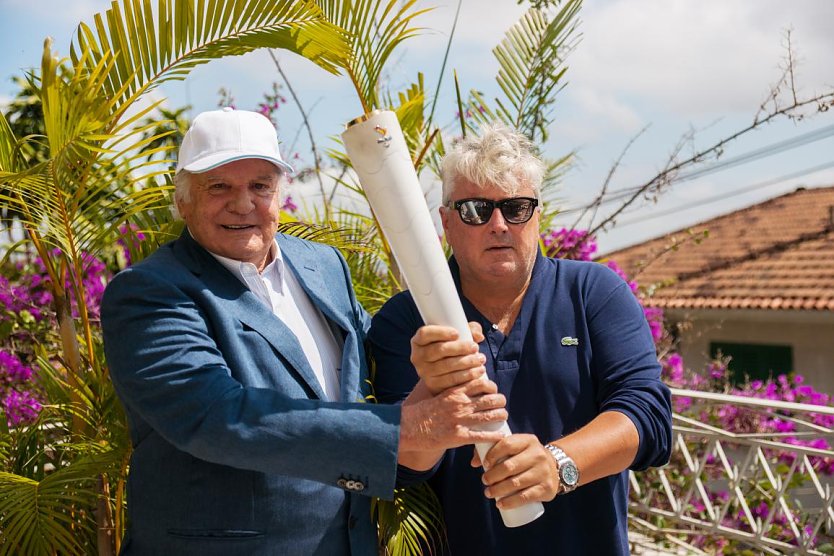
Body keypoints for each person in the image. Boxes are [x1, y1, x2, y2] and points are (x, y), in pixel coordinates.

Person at [100, 107, 509, 555]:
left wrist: (428, 375)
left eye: (260, 185)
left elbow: (363, 385)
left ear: (279, 193)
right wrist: (402, 430)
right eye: (219, 186)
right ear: (183, 200)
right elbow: (217, 416)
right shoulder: (149, 293)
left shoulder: (324, 266)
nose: (243, 203)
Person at [368, 123, 673, 555]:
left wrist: (558, 463)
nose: (498, 225)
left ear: (538, 214)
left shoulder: (594, 293)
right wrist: (431, 385)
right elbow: (402, 467)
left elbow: (649, 420)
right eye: (476, 209)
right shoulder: (406, 319)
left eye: (516, 208)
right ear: (447, 222)